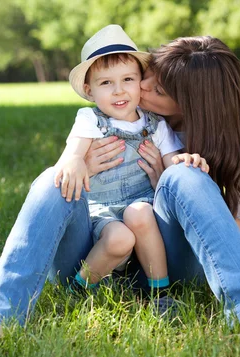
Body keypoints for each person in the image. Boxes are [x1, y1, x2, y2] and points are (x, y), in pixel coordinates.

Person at [0, 31, 240, 350]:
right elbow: (72, 171)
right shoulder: (112, 120)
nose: (138, 86)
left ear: (186, 104)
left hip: (166, 264)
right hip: (93, 253)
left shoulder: (217, 147)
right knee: (51, 179)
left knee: (184, 175)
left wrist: (168, 186)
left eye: (155, 86)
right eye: (148, 73)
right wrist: (80, 167)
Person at [52, 25, 207, 309]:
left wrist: (182, 161)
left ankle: (158, 293)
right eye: (106, 83)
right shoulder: (90, 119)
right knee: (119, 239)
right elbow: (73, 152)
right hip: (102, 209)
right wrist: (74, 160)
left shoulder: (155, 123)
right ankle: (81, 288)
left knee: (141, 213)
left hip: (142, 201)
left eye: (127, 79)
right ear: (89, 90)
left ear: (140, 82)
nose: (119, 90)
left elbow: (170, 158)